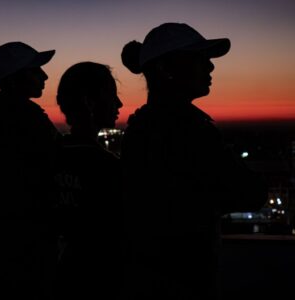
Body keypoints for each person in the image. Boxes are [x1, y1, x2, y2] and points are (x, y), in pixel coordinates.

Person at [120, 22, 268, 300]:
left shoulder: (140, 128)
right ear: (165, 69)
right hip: (184, 280)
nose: (210, 68)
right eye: (199, 59)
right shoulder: (190, 129)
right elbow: (249, 192)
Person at [0, 41, 62, 300]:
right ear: (15, 79)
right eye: (36, 70)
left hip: (1, 235)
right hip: (26, 241)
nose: (44, 76)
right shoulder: (25, 119)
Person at [53, 61, 124, 300]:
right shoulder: (106, 167)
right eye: (112, 96)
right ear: (89, 101)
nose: (119, 104)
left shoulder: (49, 156)